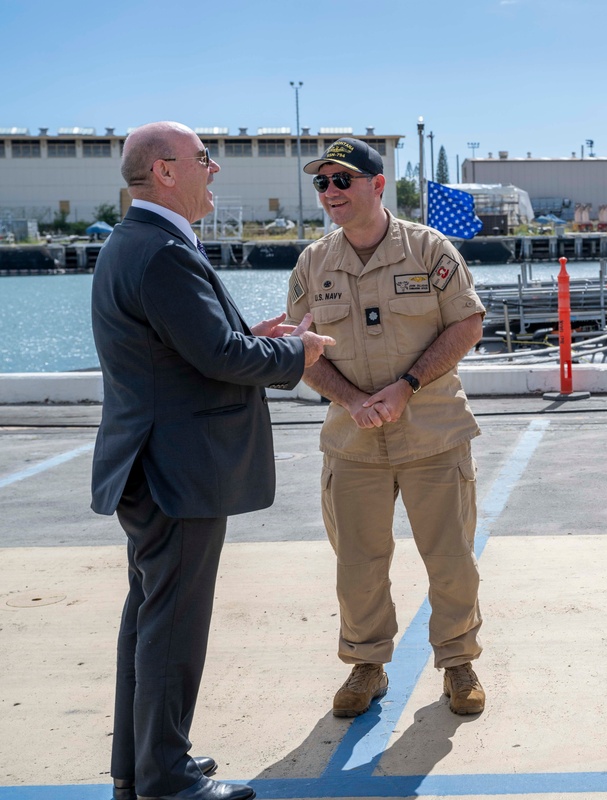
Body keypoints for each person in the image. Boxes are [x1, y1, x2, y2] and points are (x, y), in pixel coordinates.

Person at [91, 121, 333, 800]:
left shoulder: (133, 243)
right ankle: (165, 780)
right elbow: (219, 359)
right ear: (165, 172)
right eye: (205, 159)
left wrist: (248, 336)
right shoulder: (164, 251)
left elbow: (188, 347)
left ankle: (139, 769)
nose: (215, 169)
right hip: (177, 470)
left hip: (149, 463)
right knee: (172, 627)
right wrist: (298, 352)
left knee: (149, 618)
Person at [285, 138, 488, 718]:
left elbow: (467, 325)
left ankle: (459, 664)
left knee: (450, 558)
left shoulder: (429, 250)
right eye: (322, 183)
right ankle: (367, 666)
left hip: (432, 432)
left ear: (378, 186)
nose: (330, 193)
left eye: (342, 180)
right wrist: (352, 400)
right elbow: (299, 348)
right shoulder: (313, 263)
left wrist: (407, 386)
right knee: (358, 562)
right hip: (353, 440)